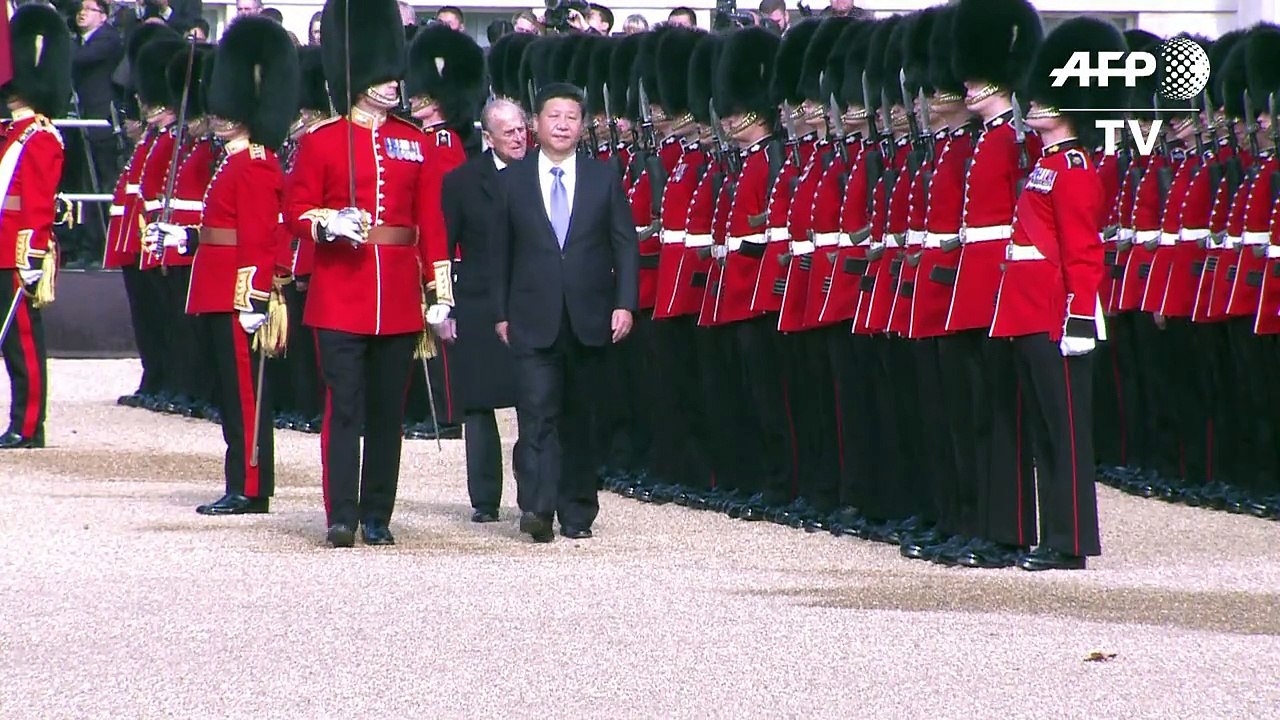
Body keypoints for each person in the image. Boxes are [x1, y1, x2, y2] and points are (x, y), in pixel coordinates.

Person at [287, 0, 449, 548]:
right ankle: (341, 513)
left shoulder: (415, 141)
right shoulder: (322, 140)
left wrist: (439, 290)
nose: (394, 84)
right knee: (345, 409)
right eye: (382, 75)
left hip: (398, 296)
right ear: (357, 78)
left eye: (395, 74)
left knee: (386, 414)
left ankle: (378, 512)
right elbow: (295, 211)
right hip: (340, 293)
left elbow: (431, 222)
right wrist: (327, 222)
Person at [990, 16, 1127, 570]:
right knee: (1046, 430)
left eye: (1046, 98)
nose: (1034, 104)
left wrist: (1078, 316)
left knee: (1066, 432)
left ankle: (1072, 543)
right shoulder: (1045, 163)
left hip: (1055, 313)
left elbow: (1082, 250)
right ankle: (1055, 534)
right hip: (1027, 310)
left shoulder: (1073, 168)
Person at [155, 16, 297, 514]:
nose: (216, 117)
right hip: (218, 284)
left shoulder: (255, 163)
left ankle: (250, 485)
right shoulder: (232, 159)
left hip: (239, 292)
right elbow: (225, 228)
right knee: (230, 394)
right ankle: (243, 480)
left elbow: (259, 237)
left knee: (244, 395)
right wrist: (188, 236)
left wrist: (255, 297)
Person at [490, 83, 639, 543]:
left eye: (571, 117)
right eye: (553, 116)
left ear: (582, 125)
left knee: (580, 418)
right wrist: (499, 311)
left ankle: (577, 510)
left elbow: (624, 244)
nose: (562, 125)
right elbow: (498, 252)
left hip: (589, 315)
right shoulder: (512, 179)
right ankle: (537, 506)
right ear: (535, 124)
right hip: (531, 314)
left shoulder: (603, 176)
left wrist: (625, 303)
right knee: (536, 415)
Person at [440, 99, 527, 523]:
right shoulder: (461, 182)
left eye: (522, 129)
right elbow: (443, 248)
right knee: (478, 406)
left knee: (534, 401)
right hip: (476, 302)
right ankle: (485, 499)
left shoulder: (542, 172)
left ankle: (534, 495)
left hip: (531, 299)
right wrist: (442, 305)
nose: (519, 138)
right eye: (509, 132)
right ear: (489, 138)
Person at [0, 4, 71, 450]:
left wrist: (30, 258)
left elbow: (38, 205)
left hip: (17, 251)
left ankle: (28, 424)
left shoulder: (41, 136)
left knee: (22, 341)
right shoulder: (10, 132)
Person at [65, 0, 123, 268]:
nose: (82, 13)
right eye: (80, 9)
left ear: (103, 16)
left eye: (89, 9)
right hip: (79, 118)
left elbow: (80, 59)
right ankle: (84, 245)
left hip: (101, 120)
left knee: (103, 181)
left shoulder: (108, 39)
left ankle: (104, 246)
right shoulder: (78, 41)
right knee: (83, 183)